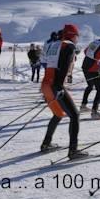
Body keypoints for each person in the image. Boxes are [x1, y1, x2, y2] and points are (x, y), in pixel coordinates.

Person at [40, 24, 87, 160]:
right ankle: (73, 151)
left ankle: (46, 144)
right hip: (56, 85)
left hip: (46, 84)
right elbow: (65, 66)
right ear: (72, 35)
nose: (77, 39)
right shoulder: (69, 46)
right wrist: (59, 86)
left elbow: (45, 63)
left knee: (58, 114)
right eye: (77, 36)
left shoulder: (54, 44)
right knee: (75, 115)